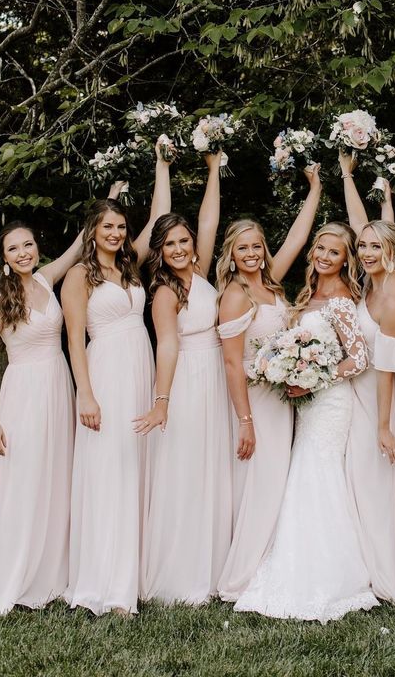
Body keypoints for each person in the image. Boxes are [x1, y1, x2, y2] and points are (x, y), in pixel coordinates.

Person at [0, 182, 123, 614]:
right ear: (4, 258)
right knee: (25, 482)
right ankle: (12, 573)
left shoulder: (49, 281)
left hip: (58, 387)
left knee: (56, 479)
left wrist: (110, 200)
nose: (24, 253)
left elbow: (82, 242)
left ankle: (50, 575)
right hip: (23, 395)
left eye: (28, 244)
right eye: (14, 248)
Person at [234, 222, 379, 622]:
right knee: (304, 475)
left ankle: (330, 573)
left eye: (334, 252)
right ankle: (301, 559)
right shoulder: (307, 295)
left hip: (329, 402)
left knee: (319, 475)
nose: (324, 256)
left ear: (347, 259)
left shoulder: (341, 300)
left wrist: (316, 377)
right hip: (306, 401)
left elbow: (360, 358)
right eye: (320, 248)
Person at [62, 144, 170, 616]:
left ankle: (135, 572)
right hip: (103, 371)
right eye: (107, 226)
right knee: (110, 471)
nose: (116, 232)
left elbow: (159, 219)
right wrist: (85, 393)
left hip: (139, 368)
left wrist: (161, 164)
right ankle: (104, 584)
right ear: (92, 231)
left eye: (120, 226)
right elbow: (72, 340)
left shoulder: (129, 266)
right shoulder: (78, 276)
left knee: (136, 467)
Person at [215, 164, 323, 601]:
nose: (253, 253)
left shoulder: (272, 283)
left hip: (281, 399)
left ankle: (273, 563)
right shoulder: (236, 294)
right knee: (261, 482)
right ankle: (243, 574)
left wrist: (315, 188)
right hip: (254, 403)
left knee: (278, 481)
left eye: (257, 245)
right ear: (232, 253)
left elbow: (298, 237)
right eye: (244, 247)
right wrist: (244, 420)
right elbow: (231, 363)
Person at [139, 151, 232, 605]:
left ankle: (215, 565)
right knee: (188, 469)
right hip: (187, 381)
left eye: (183, 241)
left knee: (215, 466)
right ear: (160, 251)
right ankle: (181, 573)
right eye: (169, 244)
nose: (178, 249)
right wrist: (162, 399)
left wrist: (213, 169)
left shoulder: (200, 272)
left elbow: (210, 222)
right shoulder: (163, 291)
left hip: (216, 374)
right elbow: (168, 345)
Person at [340, 156, 395, 603]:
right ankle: (359, 563)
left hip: (376, 401)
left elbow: (386, 368)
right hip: (355, 395)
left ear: (391, 252)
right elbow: (361, 222)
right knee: (354, 483)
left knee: (373, 485)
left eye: (373, 247)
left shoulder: (393, 295)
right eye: (361, 245)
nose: (364, 251)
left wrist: (383, 425)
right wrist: (348, 174)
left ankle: (386, 573)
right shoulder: (369, 284)